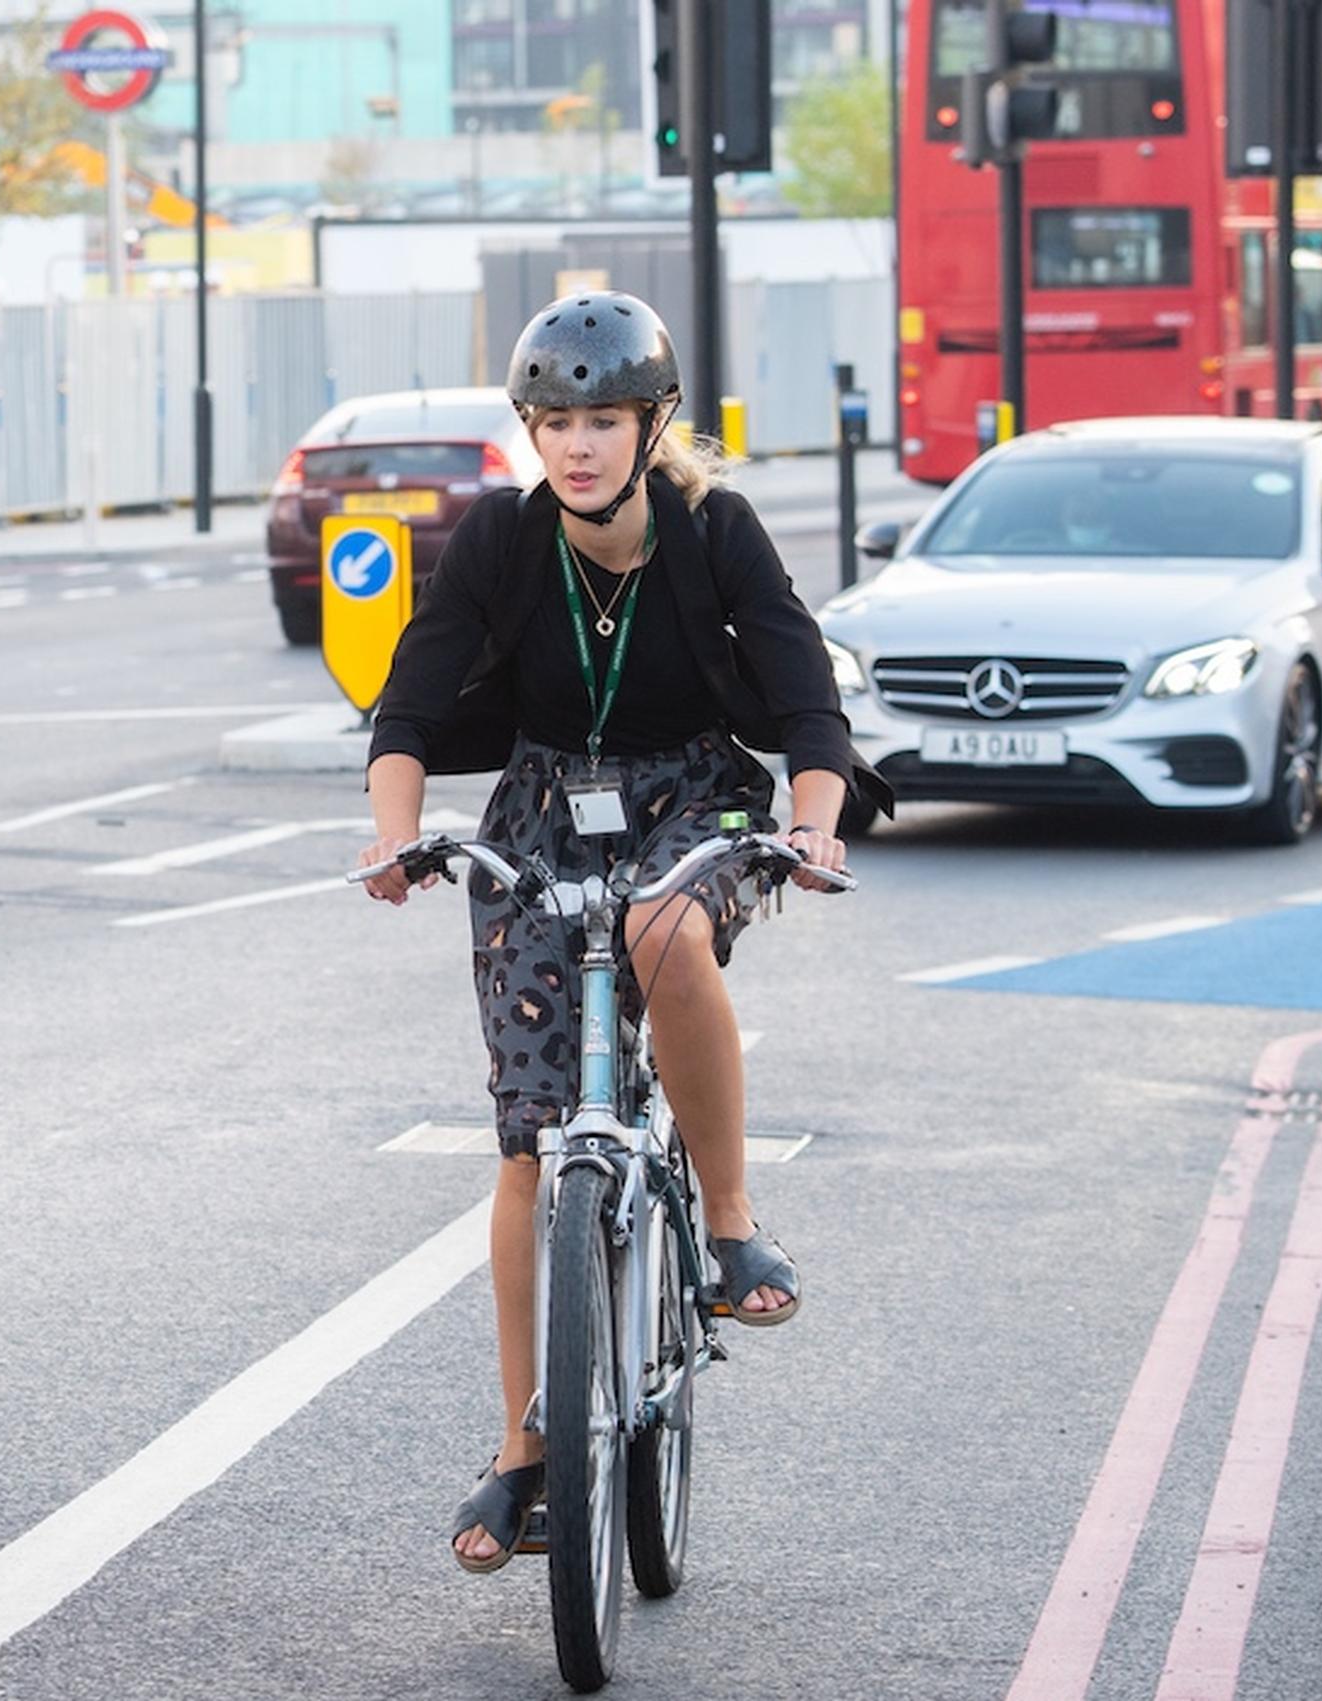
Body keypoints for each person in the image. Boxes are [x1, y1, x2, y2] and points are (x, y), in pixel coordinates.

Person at [355, 291, 890, 1574]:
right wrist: (394, 838)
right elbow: (409, 708)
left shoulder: (715, 532)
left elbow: (812, 714)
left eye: (603, 419)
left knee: (661, 930)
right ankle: (524, 1455)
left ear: (652, 426)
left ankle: (726, 1220)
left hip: (690, 794)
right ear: (530, 433)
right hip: (541, 810)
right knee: (534, 1143)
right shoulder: (498, 540)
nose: (578, 445)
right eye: (554, 422)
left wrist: (811, 831)